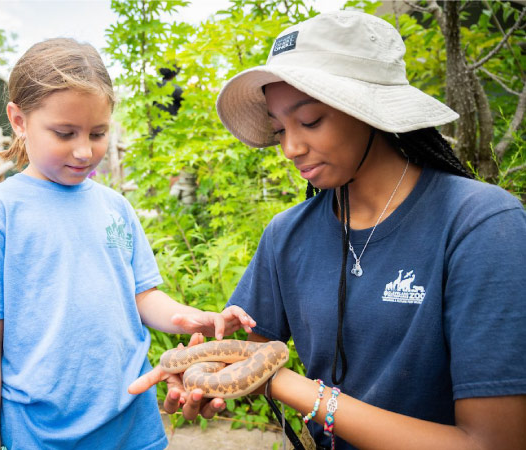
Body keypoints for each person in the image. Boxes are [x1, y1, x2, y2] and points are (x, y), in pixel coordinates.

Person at [129, 11, 526, 450]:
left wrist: (289, 386)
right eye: (279, 129)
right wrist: (201, 376)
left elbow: (494, 441)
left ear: (369, 111)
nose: (291, 148)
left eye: (311, 121)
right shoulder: (288, 234)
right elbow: (247, 354)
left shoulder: (481, 225)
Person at [0, 38, 256, 450]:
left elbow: (143, 296)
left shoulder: (115, 208)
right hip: (41, 436)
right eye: (64, 132)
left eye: (98, 132)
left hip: (132, 427)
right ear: (19, 120)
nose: (84, 150)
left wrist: (188, 318)